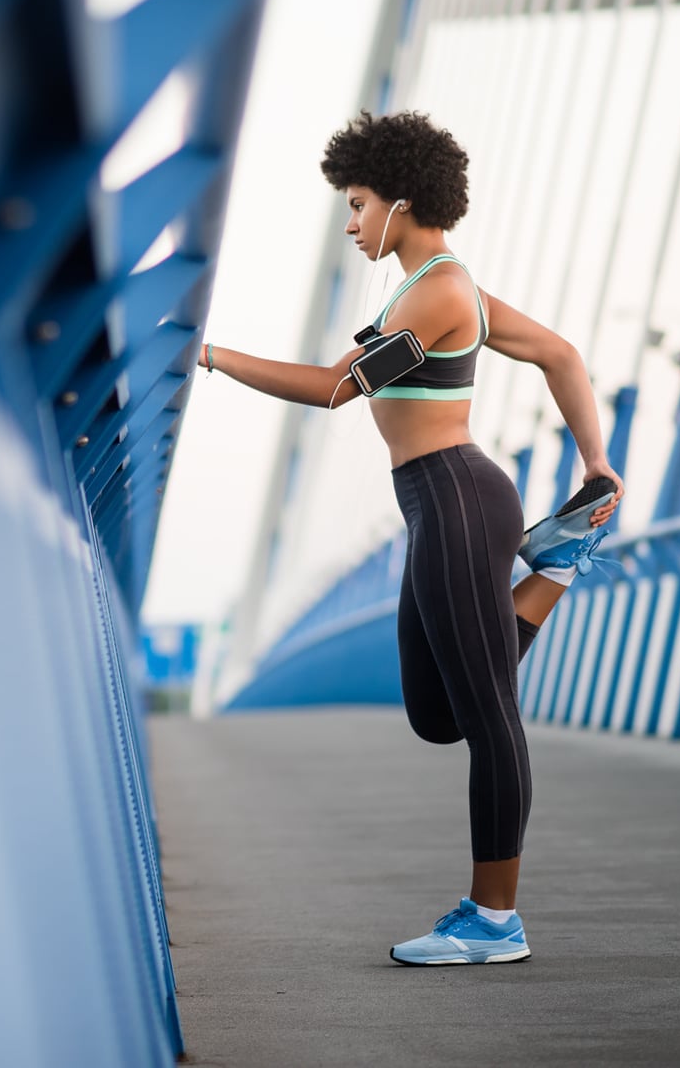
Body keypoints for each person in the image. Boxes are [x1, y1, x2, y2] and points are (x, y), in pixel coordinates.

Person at [198, 109, 623, 967]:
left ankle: (495, 915)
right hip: (437, 504)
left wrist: (207, 356)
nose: (351, 223)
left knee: (491, 713)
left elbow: (331, 390)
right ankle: (561, 566)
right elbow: (562, 354)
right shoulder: (435, 284)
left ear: (400, 198)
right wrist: (597, 461)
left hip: (459, 496)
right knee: (436, 714)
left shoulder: (437, 291)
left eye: (356, 204)